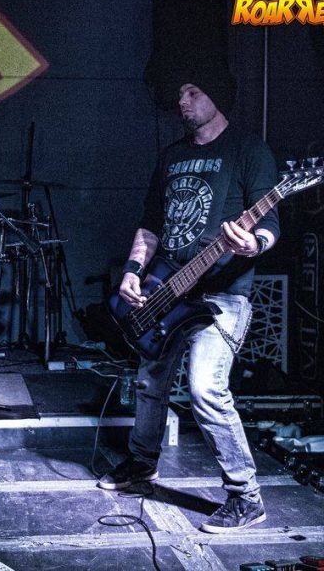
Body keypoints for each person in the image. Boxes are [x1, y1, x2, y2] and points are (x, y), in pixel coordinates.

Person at [98, 69, 280, 534]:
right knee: (149, 381)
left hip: (223, 296)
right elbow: (150, 224)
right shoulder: (172, 156)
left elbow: (269, 223)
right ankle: (141, 464)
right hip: (166, 290)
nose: (183, 101)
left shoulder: (248, 151)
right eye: (178, 93)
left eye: (193, 91)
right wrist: (134, 270)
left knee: (205, 388)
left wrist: (252, 243)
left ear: (216, 95)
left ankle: (246, 496)